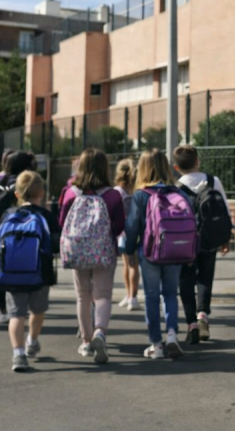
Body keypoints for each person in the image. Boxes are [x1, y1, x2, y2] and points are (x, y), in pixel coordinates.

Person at [58, 148, 124, 364]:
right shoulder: (113, 195)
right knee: (102, 294)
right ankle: (100, 333)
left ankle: (86, 342)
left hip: (78, 250)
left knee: (82, 295)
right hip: (104, 251)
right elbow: (118, 226)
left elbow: (61, 222)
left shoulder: (70, 193)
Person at [123, 149, 187, 360]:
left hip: (150, 253)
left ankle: (156, 345)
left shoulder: (141, 195)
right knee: (170, 293)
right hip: (175, 250)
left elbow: (132, 226)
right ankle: (172, 335)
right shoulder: (179, 193)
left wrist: (129, 250)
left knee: (151, 297)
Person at [0, 171, 59, 372]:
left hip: (12, 273)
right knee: (38, 311)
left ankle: (18, 354)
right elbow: (56, 244)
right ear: (41, 193)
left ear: (17, 194)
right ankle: (32, 341)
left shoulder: (8, 215)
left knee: (16, 315)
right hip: (40, 274)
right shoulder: (46, 216)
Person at [173, 144, 230, 343]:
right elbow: (225, 211)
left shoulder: (176, 187)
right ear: (198, 161)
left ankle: (192, 324)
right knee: (205, 278)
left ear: (176, 167)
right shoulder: (214, 181)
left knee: (186, 281)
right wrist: (225, 239)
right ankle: (203, 315)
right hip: (209, 239)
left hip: (186, 242)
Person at [0, 151, 37, 324]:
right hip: (19, 237)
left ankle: (4, 310)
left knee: (1, 272)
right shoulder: (22, 187)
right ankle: (20, 310)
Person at [113, 158, 141, 312]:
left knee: (128, 263)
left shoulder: (117, 191)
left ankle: (131, 296)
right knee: (132, 264)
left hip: (122, 232)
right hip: (135, 231)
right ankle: (131, 295)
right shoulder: (137, 190)